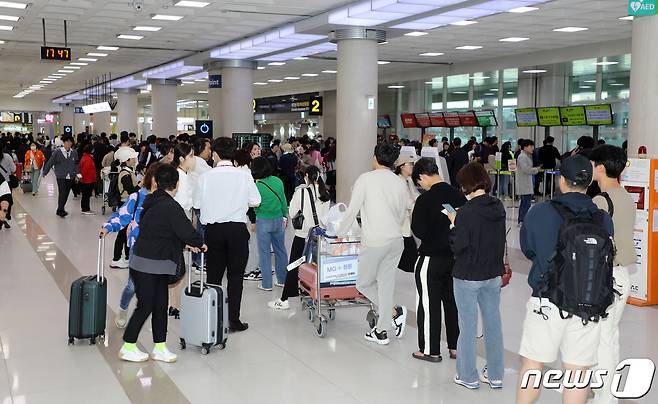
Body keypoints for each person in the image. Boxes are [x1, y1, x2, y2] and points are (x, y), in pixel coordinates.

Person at [517, 155, 613, 404]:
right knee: (578, 371)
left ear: (561, 181)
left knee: (533, 364)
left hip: (546, 300)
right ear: (589, 182)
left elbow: (529, 250)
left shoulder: (540, 212)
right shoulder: (603, 217)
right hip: (587, 302)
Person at [119, 164, 206, 363]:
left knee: (160, 305)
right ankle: (128, 346)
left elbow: (166, 231)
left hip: (151, 262)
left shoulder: (152, 200)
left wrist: (186, 243)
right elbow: (186, 231)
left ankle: (160, 347)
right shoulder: (170, 206)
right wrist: (199, 243)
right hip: (150, 263)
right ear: (176, 185)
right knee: (147, 306)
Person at [337, 143, 409, 345]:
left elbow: (352, 210)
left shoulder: (366, 179)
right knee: (385, 285)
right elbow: (404, 209)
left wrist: (339, 233)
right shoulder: (399, 182)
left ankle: (394, 312)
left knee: (363, 283)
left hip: (376, 241)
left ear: (375, 157)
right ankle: (381, 330)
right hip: (396, 240)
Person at [448, 162, 506, 390]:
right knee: (493, 323)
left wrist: (454, 224)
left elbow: (458, 246)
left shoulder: (467, 212)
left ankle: (467, 375)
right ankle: (495, 374)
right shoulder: (498, 206)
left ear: (466, 185)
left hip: (468, 275)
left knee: (468, 325)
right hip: (492, 274)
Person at [199, 137, 261, 332]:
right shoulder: (244, 175)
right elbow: (256, 201)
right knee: (236, 277)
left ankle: (212, 319)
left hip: (213, 231)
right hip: (236, 229)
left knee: (214, 276)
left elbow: (197, 204)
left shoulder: (206, 177)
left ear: (215, 154)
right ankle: (233, 320)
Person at [589, 146, 636, 404]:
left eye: (594, 163)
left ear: (602, 168)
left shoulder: (601, 201)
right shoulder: (627, 197)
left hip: (606, 276)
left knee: (602, 340)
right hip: (622, 276)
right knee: (610, 336)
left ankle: (606, 398)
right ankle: (605, 390)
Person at [411, 158, 466, 362]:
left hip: (430, 259)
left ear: (423, 176)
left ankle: (430, 350)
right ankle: (455, 347)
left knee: (429, 304)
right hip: (454, 258)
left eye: (419, 183)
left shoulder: (425, 200)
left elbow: (418, 230)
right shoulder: (458, 195)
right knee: (452, 303)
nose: (421, 187)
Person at [101, 162, 162, 328]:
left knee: (158, 285)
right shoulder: (138, 196)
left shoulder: (165, 198)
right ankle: (123, 308)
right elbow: (123, 215)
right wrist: (108, 227)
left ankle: (156, 320)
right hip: (138, 246)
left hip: (159, 247)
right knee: (132, 285)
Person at [268, 166, 330, 310]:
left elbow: (292, 212)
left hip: (302, 236)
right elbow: (326, 217)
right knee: (316, 266)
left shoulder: (301, 192)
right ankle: (313, 293)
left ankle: (284, 299)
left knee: (295, 265)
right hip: (318, 237)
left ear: (306, 176)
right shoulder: (325, 193)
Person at [251, 156, 289, 291]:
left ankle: (266, 284)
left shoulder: (257, 185)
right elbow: (283, 201)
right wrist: (285, 215)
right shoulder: (278, 181)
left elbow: (254, 205)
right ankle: (283, 280)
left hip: (263, 220)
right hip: (278, 219)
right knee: (281, 251)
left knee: (264, 253)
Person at [110, 148, 140, 269]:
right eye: (133, 158)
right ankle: (116, 259)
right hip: (125, 205)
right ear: (127, 160)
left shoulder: (128, 171)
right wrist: (141, 184)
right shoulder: (125, 174)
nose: (135, 160)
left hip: (128, 204)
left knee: (127, 232)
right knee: (123, 234)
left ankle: (127, 257)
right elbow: (131, 190)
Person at [394, 152, 420, 274]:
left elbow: (415, 196)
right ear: (402, 166)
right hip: (401, 225)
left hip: (406, 225)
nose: (412, 167)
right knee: (408, 253)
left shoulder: (408, 180)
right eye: (410, 164)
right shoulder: (398, 182)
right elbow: (408, 202)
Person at [42, 135, 80, 218]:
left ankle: (61, 208)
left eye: (71, 142)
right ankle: (60, 209)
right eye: (68, 141)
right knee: (62, 192)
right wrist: (45, 171)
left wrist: (78, 173)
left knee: (66, 193)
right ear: (64, 142)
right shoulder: (57, 152)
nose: (69, 143)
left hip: (71, 175)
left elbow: (76, 164)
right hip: (61, 175)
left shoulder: (74, 152)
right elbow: (50, 162)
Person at [189, 137, 212, 268]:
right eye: (208, 148)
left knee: (199, 231)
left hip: (198, 202)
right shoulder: (198, 162)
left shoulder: (196, 162)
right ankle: (199, 262)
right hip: (200, 203)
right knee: (201, 232)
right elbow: (213, 176)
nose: (210, 151)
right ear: (201, 149)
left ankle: (197, 261)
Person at [516, 139, 539, 224]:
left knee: (525, 203)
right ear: (525, 147)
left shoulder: (526, 156)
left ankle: (522, 219)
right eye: (531, 146)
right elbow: (526, 169)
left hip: (525, 182)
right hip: (524, 183)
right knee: (526, 203)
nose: (532, 148)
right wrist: (536, 169)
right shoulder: (522, 157)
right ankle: (522, 220)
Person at [79, 144, 97, 215]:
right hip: (87, 180)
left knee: (85, 195)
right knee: (86, 195)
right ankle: (85, 209)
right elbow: (84, 170)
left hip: (86, 179)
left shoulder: (85, 157)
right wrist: (81, 177)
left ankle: (85, 208)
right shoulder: (88, 159)